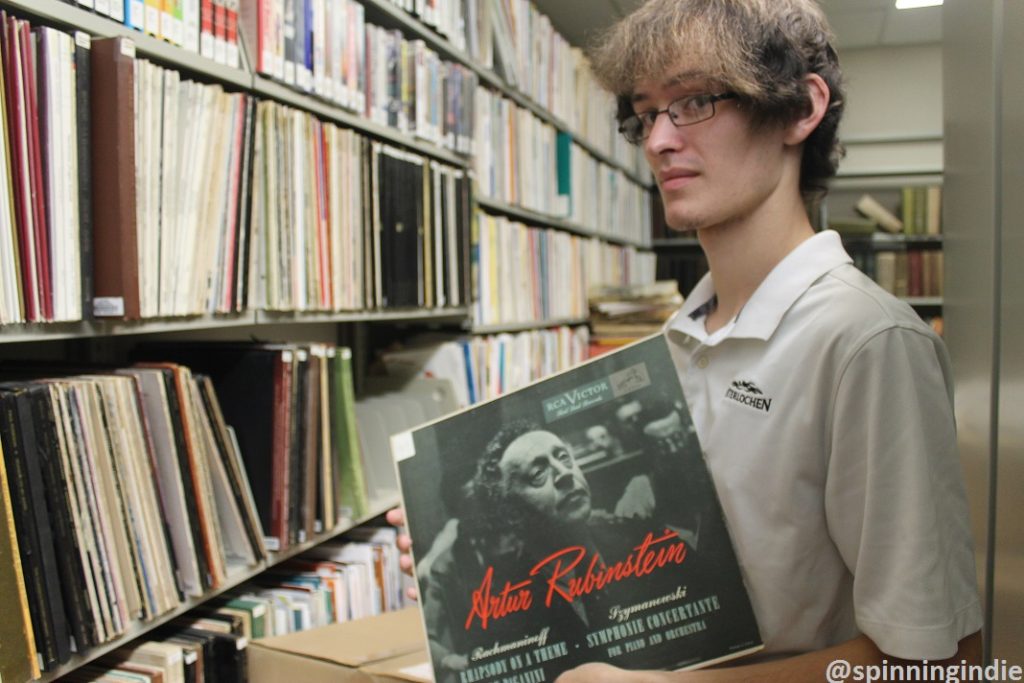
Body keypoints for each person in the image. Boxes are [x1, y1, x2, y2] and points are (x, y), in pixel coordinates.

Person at [391, 0, 983, 678]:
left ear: (799, 109)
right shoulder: (673, 345)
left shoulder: (867, 343)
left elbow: (939, 662)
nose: (657, 141)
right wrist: (479, 571)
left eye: (696, 100)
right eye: (645, 113)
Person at [406, 419, 728, 683]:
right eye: (538, 474)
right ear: (509, 512)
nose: (564, 475)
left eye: (564, 458)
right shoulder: (500, 603)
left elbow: (726, 626)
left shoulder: (646, 540)